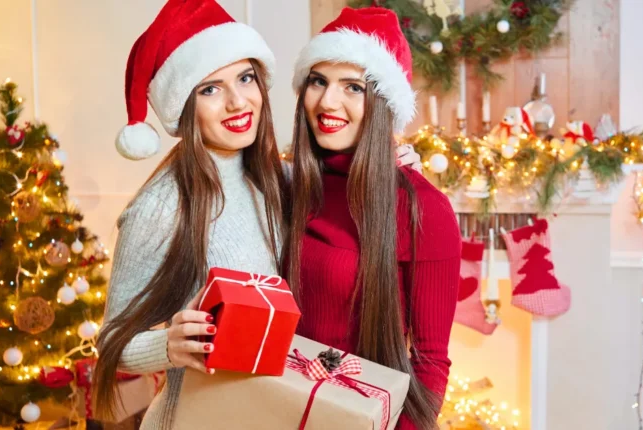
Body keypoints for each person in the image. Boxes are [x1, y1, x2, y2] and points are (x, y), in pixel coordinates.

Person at [92, 2, 421, 427]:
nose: (236, 101)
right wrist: (168, 347)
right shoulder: (161, 205)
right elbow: (111, 343)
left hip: (275, 411)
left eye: (245, 78)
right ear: (184, 106)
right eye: (210, 89)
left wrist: (388, 166)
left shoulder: (277, 178)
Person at [282, 7, 462, 429]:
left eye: (353, 87)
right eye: (318, 81)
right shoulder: (288, 186)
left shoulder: (422, 208)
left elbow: (431, 360)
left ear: (383, 101)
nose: (328, 101)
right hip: (275, 408)